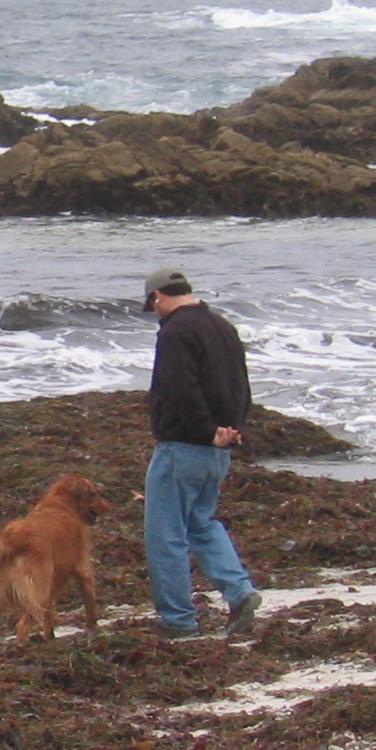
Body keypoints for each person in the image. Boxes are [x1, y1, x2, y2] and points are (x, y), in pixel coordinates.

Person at [141, 266, 263, 640]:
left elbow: (181, 388)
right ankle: (240, 592)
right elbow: (241, 386)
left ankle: (178, 621)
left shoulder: (175, 332)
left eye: (152, 305)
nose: (155, 313)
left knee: (165, 535)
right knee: (202, 524)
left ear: (158, 297)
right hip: (219, 448)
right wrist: (230, 429)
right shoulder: (222, 326)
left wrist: (206, 431)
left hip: (184, 446)